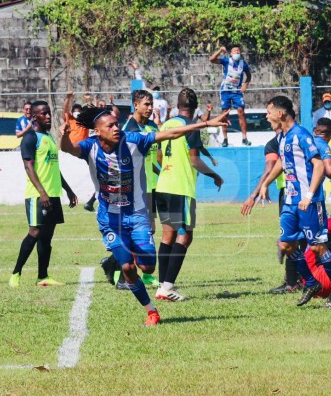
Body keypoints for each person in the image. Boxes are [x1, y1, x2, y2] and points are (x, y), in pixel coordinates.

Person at [60, 104, 229, 326]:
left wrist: (205, 123)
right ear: (97, 131)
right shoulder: (90, 147)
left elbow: (172, 133)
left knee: (148, 267)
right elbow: (68, 149)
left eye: (116, 124)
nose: (116, 128)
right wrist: (63, 136)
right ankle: (151, 311)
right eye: (110, 126)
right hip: (110, 220)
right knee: (128, 267)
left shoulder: (133, 140)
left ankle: (129, 252)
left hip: (137, 215)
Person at [258, 96, 331, 308]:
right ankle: (310, 282)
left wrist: (309, 195)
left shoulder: (301, 135)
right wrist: (266, 183)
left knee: (317, 248)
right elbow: (282, 161)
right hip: (290, 201)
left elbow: (318, 166)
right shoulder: (281, 137)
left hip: (309, 201)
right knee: (286, 244)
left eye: (269, 111)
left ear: (281, 113)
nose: (266, 116)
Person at [155, 88, 225, 302]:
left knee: (168, 235)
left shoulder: (166, 125)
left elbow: (159, 157)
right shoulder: (191, 126)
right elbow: (194, 160)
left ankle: (161, 286)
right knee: (185, 236)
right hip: (180, 188)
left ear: (177, 106)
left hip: (163, 185)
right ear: (195, 108)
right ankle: (167, 287)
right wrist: (214, 175)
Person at [9, 101, 78, 288]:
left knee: (47, 237)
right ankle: (16, 273)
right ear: (34, 117)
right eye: (43, 114)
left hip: (53, 194)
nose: (48, 117)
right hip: (38, 195)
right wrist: (42, 192)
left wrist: (68, 190)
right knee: (35, 232)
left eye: (49, 113)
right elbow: (28, 166)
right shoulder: (30, 138)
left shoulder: (49, 138)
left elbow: (55, 169)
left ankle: (43, 276)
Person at [100, 89, 162, 290]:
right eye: (146, 104)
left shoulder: (152, 127)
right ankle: (122, 277)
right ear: (135, 105)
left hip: (150, 186)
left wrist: (159, 171)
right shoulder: (128, 130)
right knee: (133, 231)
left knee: (147, 230)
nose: (150, 108)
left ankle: (112, 264)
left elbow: (151, 158)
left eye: (151, 104)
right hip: (132, 189)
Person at [241, 126, 297, 293]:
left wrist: (254, 194)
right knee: (302, 237)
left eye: (269, 113)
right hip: (302, 192)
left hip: (289, 193)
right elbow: (271, 169)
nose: (266, 118)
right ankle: (295, 280)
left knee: (294, 237)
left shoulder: (274, 143)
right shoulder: (297, 137)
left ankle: (294, 281)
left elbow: (269, 169)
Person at [209, 44, 252, 147]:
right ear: (231, 54)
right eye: (234, 51)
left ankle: (244, 138)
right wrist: (219, 50)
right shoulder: (227, 61)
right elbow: (212, 59)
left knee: (241, 112)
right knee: (225, 113)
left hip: (236, 91)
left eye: (238, 51)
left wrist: (245, 84)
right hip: (226, 91)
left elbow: (249, 75)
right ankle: (225, 139)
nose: (237, 52)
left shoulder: (243, 63)